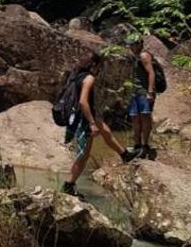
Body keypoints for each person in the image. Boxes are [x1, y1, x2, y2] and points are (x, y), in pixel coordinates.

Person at [62, 52, 133, 195]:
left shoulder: (76, 76)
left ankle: (124, 154)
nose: (100, 70)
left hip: (83, 116)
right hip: (85, 118)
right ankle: (68, 185)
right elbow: (83, 101)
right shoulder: (88, 78)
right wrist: (92, 123)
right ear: (94, 65)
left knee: (105, 131)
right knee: (83, 155)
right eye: (99, 66)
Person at [127, 34, 157, 159]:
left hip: (143, 92)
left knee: (145, 117)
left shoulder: (144, 56)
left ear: (139, 44)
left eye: (133, 44)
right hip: (133, 92)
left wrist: (150, 92)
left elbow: (151, 73)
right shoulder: (132, 57)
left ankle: (145, 145)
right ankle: (137, 144)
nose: (131, 46)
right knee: (135, 118)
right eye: (130, 44)